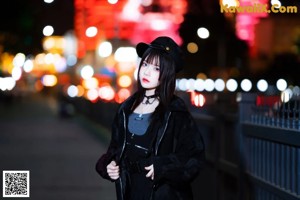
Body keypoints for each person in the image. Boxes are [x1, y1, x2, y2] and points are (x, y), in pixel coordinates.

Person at [95, 36, 205, 200]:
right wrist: (109, 165)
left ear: (167, 73)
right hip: (131, 192)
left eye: (156, 68)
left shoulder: (175, 111)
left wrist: (163, 167)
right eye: (145, 64)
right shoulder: (126, 109)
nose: (146, 71)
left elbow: (194, 155)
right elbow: (115, 149)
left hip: (164, 194)